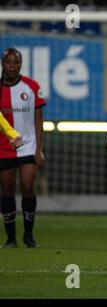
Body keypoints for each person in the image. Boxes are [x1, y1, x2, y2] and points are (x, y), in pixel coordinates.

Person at [0, 48, 46, 248]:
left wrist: (38, 149)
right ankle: (10, 238)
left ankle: (29, 235)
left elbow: (38, 120)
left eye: (16, 62)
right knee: (7, 190)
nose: (13, 66)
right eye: (9, 62)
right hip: (4, 147)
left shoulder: (32, 87)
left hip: (28, 146)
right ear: (3, 64)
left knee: (27, 187)